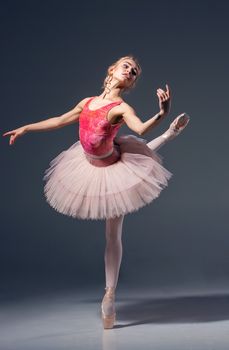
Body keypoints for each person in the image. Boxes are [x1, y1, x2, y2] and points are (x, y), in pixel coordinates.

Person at [3, 56, 190, 329]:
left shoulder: (121, 107)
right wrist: (26, 128)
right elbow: (58, 120)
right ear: (112, 70)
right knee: (140, 155)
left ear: (131, 82)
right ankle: (171, 135)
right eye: (126, 65)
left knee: (113, 231)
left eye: (134, 71)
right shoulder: (87, 103)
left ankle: (110, 293)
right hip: (86, 164)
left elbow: (139, 128)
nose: (130, 70)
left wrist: (162, 114)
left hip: (114, 166)